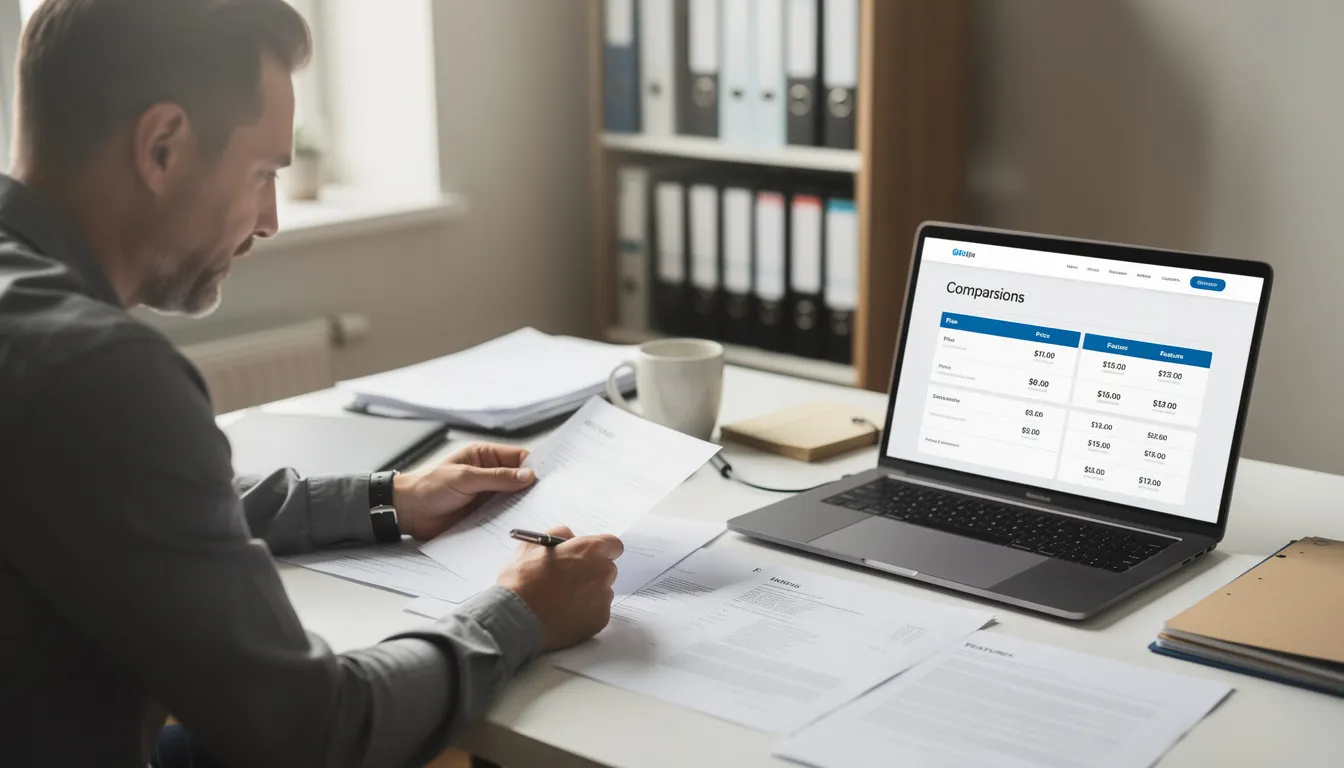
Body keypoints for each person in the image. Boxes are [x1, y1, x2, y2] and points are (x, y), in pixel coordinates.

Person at [0, 1, 625, 766]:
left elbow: (130, 500)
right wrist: (522, 612)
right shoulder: (99, 370)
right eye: (262, 173)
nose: (267, 220)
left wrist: (386, 500)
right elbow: (312, 729)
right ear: (162, 146)